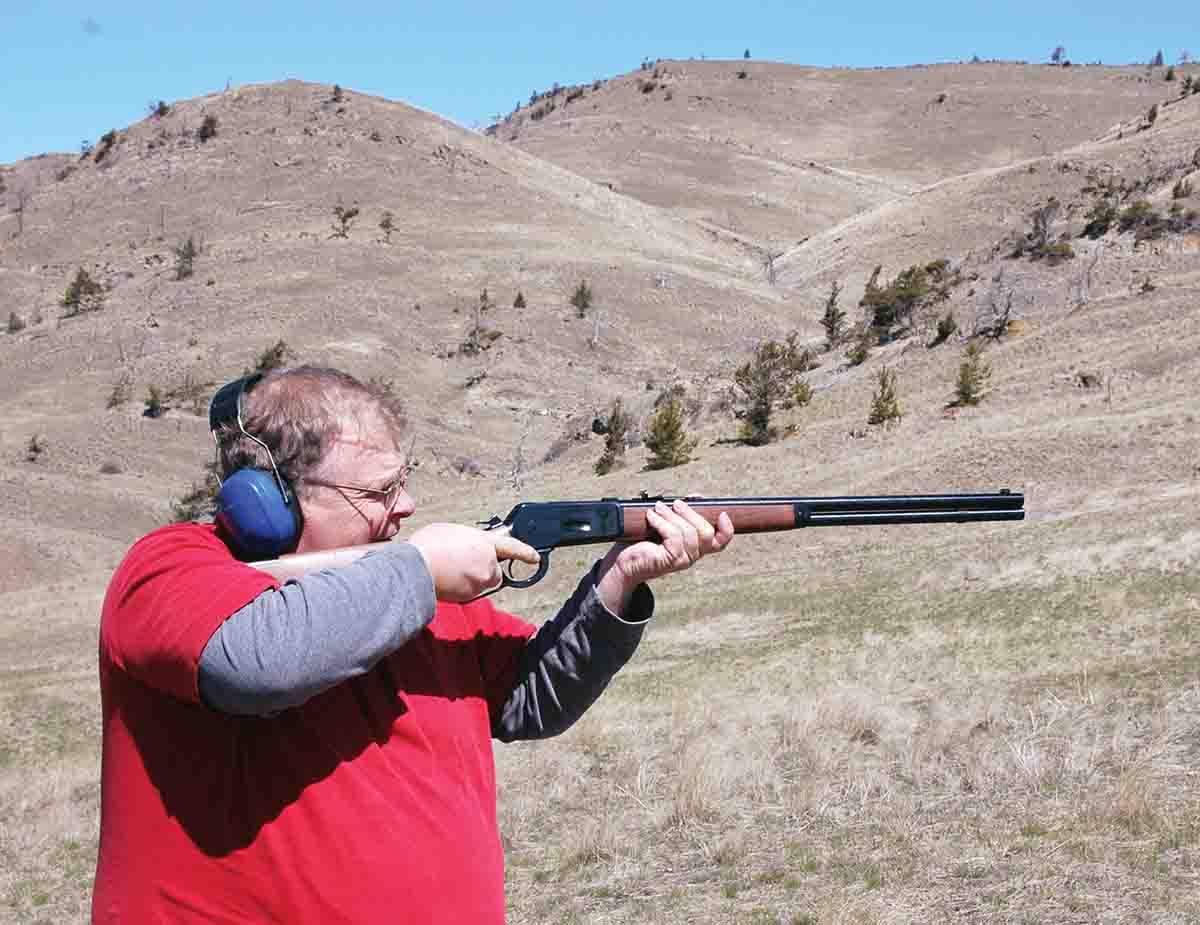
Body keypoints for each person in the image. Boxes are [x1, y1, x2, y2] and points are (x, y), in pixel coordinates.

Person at [92, 365, 733, 924]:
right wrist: (421, 571)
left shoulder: (407, 584)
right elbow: (253, 663)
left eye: (404, 480)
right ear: (270, 502)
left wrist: (621, 577)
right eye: (378, 492)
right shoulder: (168, 568)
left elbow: (531, 699)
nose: (407, 506)